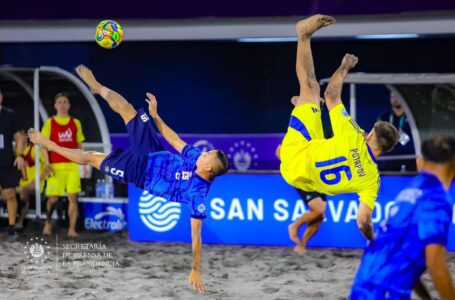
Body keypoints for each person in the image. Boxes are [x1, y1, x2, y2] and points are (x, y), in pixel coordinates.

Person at [28, 64, 229, 294]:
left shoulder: (198, 193)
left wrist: (195, 269)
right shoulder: (195, 158)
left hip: (139, 172)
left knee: (90, 158)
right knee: (128, 109)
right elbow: (173, 139)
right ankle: (97, 87)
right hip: (152, 150)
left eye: (207, 155)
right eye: (206, 152)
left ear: (208, 169)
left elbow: (196, 235)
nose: (203, 152)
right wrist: (155, 116)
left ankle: (49, 145)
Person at [279, 15, 400, 242]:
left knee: (312, 88)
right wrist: (372, 242)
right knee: (312, 101)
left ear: (371, 134)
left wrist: (344, 67)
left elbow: (332, 94)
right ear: (389, 149)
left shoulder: (355, 135)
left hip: (296, 154)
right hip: (302, 175)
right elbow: (363, 220)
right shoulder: (372, 180)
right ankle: (304, 104)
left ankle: (303, 36)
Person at [349, 135, 455, 300]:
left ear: (421, 162)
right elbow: (435, 263)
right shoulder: (437, 198)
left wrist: (426, 297)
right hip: (387, 293)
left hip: (362, 287)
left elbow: (400, 255)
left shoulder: (410, 190)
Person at [41, 93, 85, 237]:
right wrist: (47, 164)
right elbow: (43, 146)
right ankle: (48, 223)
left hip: (72, 166)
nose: (62, 104)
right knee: (53, 198)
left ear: (69, 105)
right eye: (59, 102)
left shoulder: (75, 122)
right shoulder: (49, 123)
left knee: (73, 197)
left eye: (65, 102)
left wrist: (82, 160)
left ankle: (72, 229)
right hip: (55, 166)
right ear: (55, 105)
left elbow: (79, 144)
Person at [0, 87, 26, 236]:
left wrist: (20, 155)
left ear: (1, 97)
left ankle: (11, 226)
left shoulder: (10, 115)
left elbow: (19, 137)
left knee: (10, 193)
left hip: (7, 161)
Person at [15, 130, 49, 229]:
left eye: (21, 135)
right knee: (9, 191)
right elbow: (20, 169)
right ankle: (11, 219)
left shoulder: (37, 149)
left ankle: (20, 221)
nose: (19, 138)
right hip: (25, 182)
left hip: (39, 182)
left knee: (23, 191)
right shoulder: (20, 152)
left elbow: (48, 169)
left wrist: (37, 181)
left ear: (26, 137)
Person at [378, 92, 416, 171]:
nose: (395, 99)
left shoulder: (411, 116)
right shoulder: (385, 116)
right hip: (389, 159)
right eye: (392, 97)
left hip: (409, 158)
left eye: (397, 96)